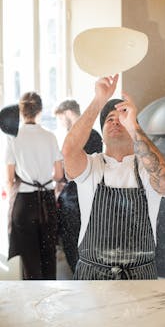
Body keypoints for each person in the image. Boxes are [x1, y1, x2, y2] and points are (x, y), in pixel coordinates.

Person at [62, 74, 165, 280]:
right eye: (109, 120)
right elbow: (68, 151)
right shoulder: (91, 166)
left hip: (140, 279)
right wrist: (98, 101)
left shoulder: (146, 169)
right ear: (102, 133)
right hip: (92, 278)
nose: (115, 123)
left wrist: (133, 126)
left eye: (121, 119)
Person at [5, 92, 64, 280]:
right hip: (46, 201)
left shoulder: (14, 138)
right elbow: (59, 175)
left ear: (21, 112)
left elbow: (9, 179)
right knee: (49, 258)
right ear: (40, 110)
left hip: (24, 202)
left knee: (30, 261)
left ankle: (32, 307)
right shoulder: (50, 137)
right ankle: (51, 305)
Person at [54, 99, 102, 273]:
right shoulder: (96, 134)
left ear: (67, 113)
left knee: (73, 246)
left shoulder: (74, 138)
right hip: (92, 200)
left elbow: (67, 172)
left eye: (60, 119)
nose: (60, 124)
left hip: (74, 203)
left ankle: (79, 279)